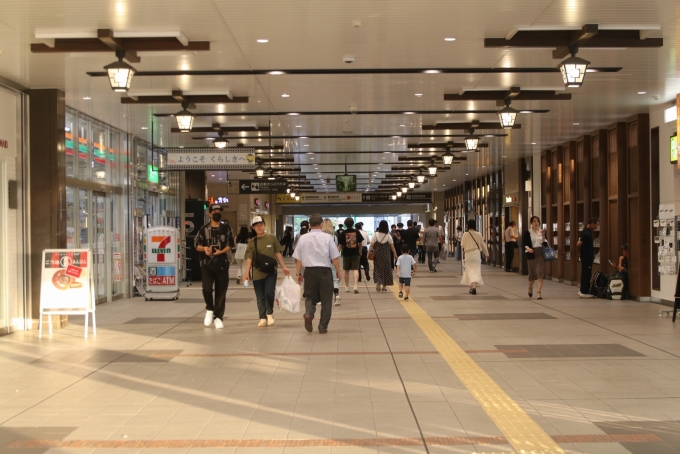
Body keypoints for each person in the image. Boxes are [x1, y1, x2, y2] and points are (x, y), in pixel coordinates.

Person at [293, 214, 342, 334]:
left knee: (310, 296)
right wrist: (338, 271)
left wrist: (298, 273)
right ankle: (323, 327)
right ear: (321, 224)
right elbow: (334, 257)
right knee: (326, 300)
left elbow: (298, 258)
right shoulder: (327, 238)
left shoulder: (303, 238)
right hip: (324, 271)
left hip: (309, 271)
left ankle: (309, 314)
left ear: (309, 225)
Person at [243, 216, 291, 327]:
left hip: (271, 272)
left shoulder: (272, 238)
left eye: (261, 225)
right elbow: (249, 258)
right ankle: (262, 318)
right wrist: (246, 273)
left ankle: (269, 313)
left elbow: (278, 253)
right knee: (260, 296)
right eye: (257, 226)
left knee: (269, 293)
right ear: (253, 228)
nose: (259, 227)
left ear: (264, 225)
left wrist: (284, 267)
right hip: (257, 273)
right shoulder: (252, 242)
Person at [195, 204, 234, 329]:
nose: (217, 213)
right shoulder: (203, 229)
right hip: (207, 265)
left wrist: (221, 252)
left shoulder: (226, 228)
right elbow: (197, 245)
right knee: (206, 289)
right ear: (210, 214)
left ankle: (218, 317)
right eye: (215, 211)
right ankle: (209, 309)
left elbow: (230, 245)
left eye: (219, 211)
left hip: (222, 265)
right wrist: (205, 249)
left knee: (221, 292)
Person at [461, 219, 489, 295]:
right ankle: (473, 287)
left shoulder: (465, 234)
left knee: (469, 270)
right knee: (476, 271)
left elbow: (462, 245)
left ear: (468, 226)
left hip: (468, 254)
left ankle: (471, 287)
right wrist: (486, 253)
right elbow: (483, 245)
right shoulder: (478, 234)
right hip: (476, 254)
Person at [369, 220, 397, 293]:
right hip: (386, 256)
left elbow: (371, 245)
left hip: (378, 256)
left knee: (378, 269)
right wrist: (395, 254)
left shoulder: (375, 235)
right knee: (386, 271)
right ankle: (384, 288)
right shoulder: (388, 236)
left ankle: (379, 281)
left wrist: (368, 253)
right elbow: (392, 247)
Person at [337, 217, 364, 293]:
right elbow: (360, 243)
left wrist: (336, 254)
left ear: (345, 224)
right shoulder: (357, 232)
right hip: (355, 253)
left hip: (346, 253)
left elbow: (340, 246)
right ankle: (355, 285)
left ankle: (347, 287)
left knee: (346, 271)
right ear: (353, 224)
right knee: (356, 270)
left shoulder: (343, 233)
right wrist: (360, 251)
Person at [523, 216, 546, 300]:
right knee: (532, 274)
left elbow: (545, 244)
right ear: (531, 223)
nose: (536, 223)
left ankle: (539, 292)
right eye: (534, 221)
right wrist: (528, 248)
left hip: (540, 254)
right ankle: (530, 287)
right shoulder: (528, 233)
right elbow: (524, 244)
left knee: (540, 273)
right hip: (531, 254)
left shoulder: (541, 232)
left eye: (537, 221)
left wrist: (543, 235)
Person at [322, 219, 341, 305]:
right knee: (334, 279)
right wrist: (338, 269)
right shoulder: (334, 236)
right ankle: (336, 295)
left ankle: (321, 299)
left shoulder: (319, 236)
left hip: (321, 261)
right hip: (332, 260)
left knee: (321, 280)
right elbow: (336, 250)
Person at [577, 218, 597, 298]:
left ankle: (585, 289)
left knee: (587, 272)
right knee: (586, 272)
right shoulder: (586, 233)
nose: (595, 226)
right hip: (586, 256)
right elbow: (579, 243)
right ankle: (583, 290)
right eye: (595, 224)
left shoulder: (588, 231)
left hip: (587, 255)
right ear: (591, 224)